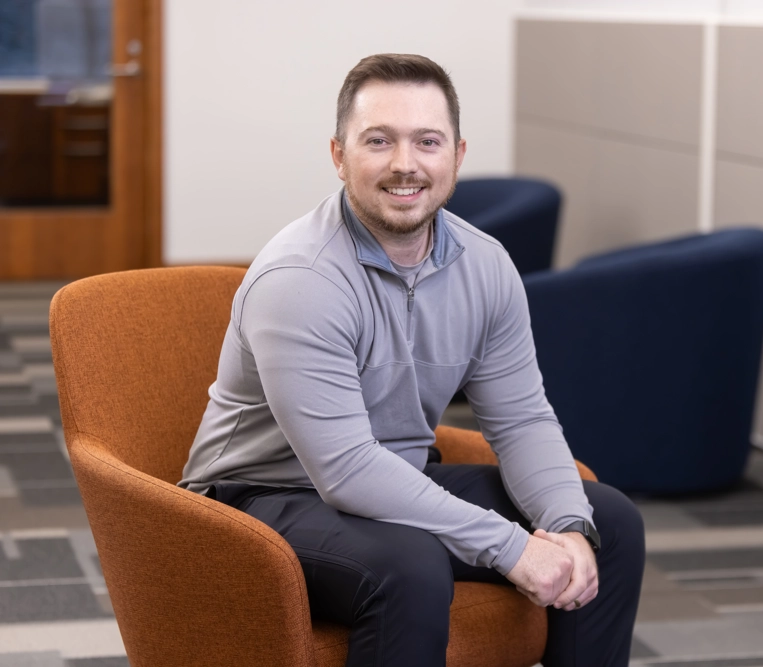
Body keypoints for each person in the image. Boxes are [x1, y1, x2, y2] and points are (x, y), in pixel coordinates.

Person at [178, 53, 644, 666]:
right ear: (339, 155)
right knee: (410, 567)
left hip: (397, 475)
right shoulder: (302, 278)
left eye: (428, 141)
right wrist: (512, 548)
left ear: (457, 154)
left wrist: (568, 529)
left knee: (606, 520)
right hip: (260, 497)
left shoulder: (486, 266)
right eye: (379, 141)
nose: (405, 164)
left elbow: (523, 420)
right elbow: (344, 470)